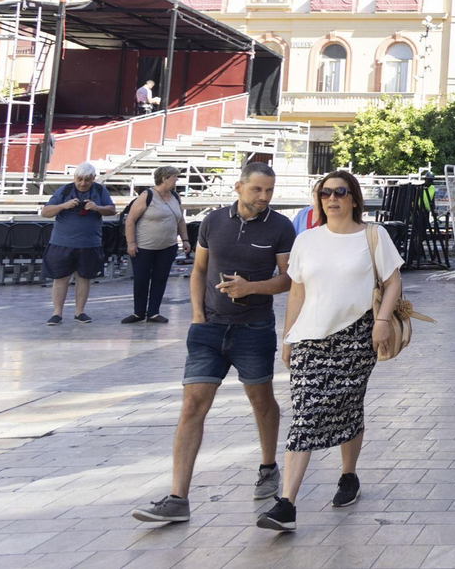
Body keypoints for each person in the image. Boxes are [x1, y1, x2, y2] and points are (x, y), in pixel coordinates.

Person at [133, 162, 294, 526]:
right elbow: (199, 270)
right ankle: (177, 499)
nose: (264, 198)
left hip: (254, 327)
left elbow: (288, 280)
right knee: (192, 406)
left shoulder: (281, 227)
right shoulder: (212, 222)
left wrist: (250, 288)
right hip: (208, 328)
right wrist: (196, 316)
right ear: (239, 187)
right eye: (257, 190)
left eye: (269, 191)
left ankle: (268, 467)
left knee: (261, 400)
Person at [256, 172, 402, 532]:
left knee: (348, 405)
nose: (332, 198)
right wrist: (288, 337)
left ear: (354, 198)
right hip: (309, 337)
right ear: (318, 199)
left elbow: (393, 281)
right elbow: (296, 292)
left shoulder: (373, 235)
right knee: (306, 413)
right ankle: (286, 504)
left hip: (357, 336)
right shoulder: (306, 240)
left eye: (340, 192)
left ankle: (348, 475)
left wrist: (382, 321)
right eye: (325, 193)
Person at [40, 162, 116, 325]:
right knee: (61, 278)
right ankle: (57, 313)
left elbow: (112, 210)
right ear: (74, 177)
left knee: (84, 278)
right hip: (62, 243)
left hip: (89, 243)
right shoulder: (64, 190)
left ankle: (79, 312)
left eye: (87, 180)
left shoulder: (99, 190)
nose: (83, 183)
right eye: (79, 179)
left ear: (94, 179)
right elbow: (45, 212)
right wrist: (64, 205)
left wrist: (97, 208)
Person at [122, 166, 190, 324]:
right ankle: (138, 312)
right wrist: (130, 243)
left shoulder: (175, 196)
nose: (177, 180)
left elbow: (180, 219)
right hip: (144, 247)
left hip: (168, 246)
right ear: (164, 179)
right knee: (141, 279)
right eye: (174, 177)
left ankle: (153, 312)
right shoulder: (147, 195)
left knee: (160, 279)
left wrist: (185, 239)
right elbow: (130, 220)